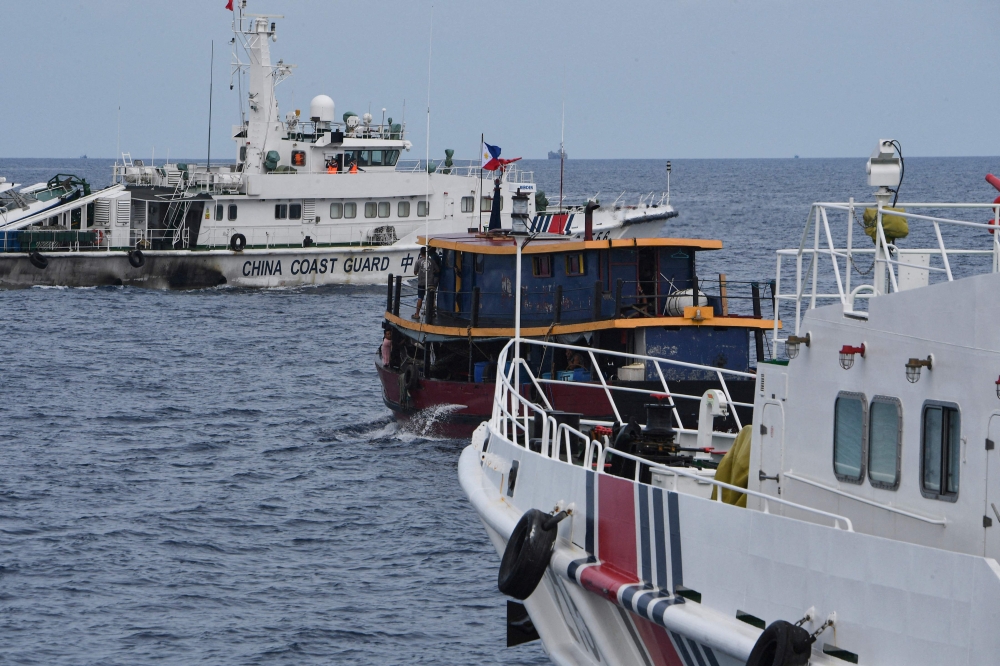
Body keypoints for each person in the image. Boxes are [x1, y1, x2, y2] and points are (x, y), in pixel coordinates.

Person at [412, 247, 440, 320]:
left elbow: (415, 272)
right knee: (430, 297)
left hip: (421, 282)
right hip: (430, 282)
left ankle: (417, 314)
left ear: (421, 253)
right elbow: (437, 270)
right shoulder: (432, 261)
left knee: (420, 298)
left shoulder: (418, 261)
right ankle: (430, 313)